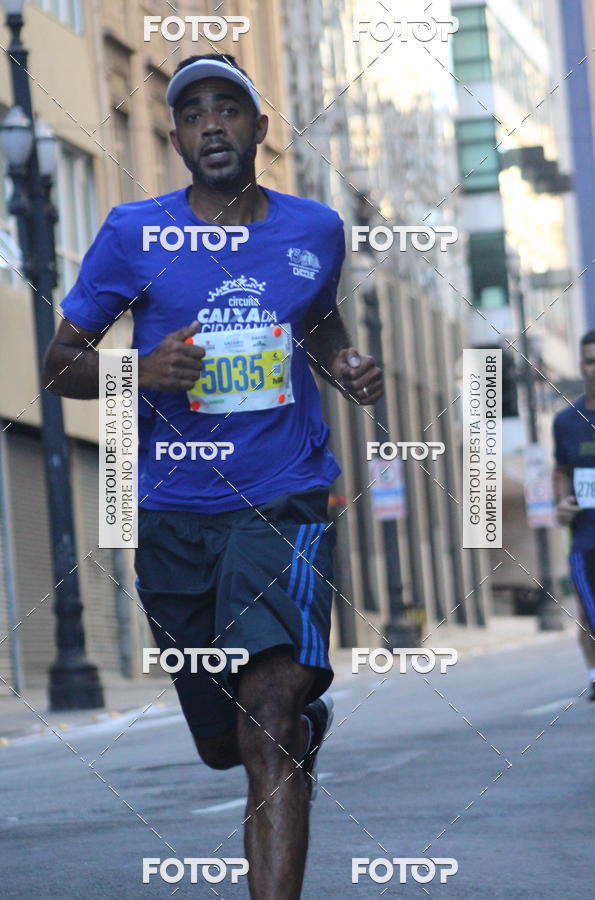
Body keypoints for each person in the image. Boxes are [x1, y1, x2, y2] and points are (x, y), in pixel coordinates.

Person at [43, 53, 383, 899]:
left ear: (259, 128)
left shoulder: (315, 229)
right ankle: (297, 727)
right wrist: (139, 371)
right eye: (193, 114)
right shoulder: (133, 233)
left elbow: (320, 323)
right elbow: (60, 366)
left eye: (227, 109)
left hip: (285, 497)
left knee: (266, 718)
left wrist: (346, 361)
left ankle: (288, 733)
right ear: (176, 138)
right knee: (222, 741)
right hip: (173, 514)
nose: (211, 125)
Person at [553, 329, 595, 701]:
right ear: (582, 366)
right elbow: (561, 470)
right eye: (590, 361)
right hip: (587, 536)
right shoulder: (566, 422)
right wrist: (562, 503)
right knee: (589, 610)